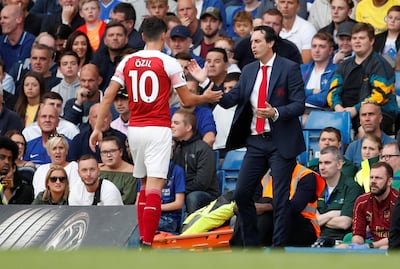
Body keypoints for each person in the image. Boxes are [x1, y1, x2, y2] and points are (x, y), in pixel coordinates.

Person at [88, 17, 221, 246]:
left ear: (141, 37)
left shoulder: (127, 61)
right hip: (158, 128)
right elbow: (187, 98)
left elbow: (108, 95)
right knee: (154, 188)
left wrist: (98, 128)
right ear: (163, 37)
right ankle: (147, 243)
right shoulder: (168, 62)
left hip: (135, 129)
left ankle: (142, 237)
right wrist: (205, 97)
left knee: (143, 184)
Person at [217, 25, 306, 247]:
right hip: (256, 141)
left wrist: (275, 112)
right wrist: (210, 85)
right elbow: (230, 99)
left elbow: (298, 105)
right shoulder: (248, 70)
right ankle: (252, 247)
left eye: (257, 41)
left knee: (280, 197)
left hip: (280, 141)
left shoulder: (289, 68)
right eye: (251, 42)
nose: (253, 46)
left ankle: (277, 249)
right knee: (242, 194)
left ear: (270, 43)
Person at [328, 22, 398, 137]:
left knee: (363, 131)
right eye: (354, 38)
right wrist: (337, 106)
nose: (357, 41)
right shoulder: (344, 65)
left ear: (371, 41)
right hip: (344, 112)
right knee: (328, 132)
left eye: (361, 38)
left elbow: (380, 95)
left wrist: (356, 109)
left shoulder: (381, 65)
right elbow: (333, 90)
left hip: (377, 113)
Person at [231, 163, 325, 247]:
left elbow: (295, 207)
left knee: (267, 208)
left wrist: (267, 207)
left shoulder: (306, 176)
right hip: (273, 225)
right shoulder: (265, 176)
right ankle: (238, 248)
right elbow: (253, 202)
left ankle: (252, 249)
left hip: (304, 227)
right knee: (247, 211)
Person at [339, 162, 399, 249]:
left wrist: (370, 246)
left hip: (393, 245)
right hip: (373, 243)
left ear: (389, 181)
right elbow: (358, 234)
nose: (373, 181)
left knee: (384, 248)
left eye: (378, 178)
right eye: (371, 177)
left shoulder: (397, 201)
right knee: (341, 248)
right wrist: (356, 245)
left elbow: (396, 237)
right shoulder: (362, 202)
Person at [171, 109, 219, 213]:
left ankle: (192, 227)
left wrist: (179, 191)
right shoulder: (173, 148)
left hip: (203, 194)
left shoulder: (203, 149)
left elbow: (202, 183)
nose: (171, 126)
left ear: (188, 127)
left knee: (193, 198)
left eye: (176, 123)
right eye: (171, 122)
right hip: (179, 191)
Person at [316, 146, 364, 242]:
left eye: (327, 163)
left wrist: (320, 218)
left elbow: (344, 223)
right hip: (317, 238)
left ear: (339, 165)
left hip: (341, 240)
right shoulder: (315, 186)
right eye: (320, 163)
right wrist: (332, 214)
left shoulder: (352, 188)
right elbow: (311, 221)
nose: (322, 167)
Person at [233, 8, 302, 70]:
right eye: (268, 23)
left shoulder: (290, 48)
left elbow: (298, 71)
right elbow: (232, 65)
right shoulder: (245, 44)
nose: (271, 27)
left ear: (282, 26)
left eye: (275, 24)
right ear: (261, 23)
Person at [170, 75, 217, 147]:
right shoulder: (169, 112)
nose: (186, 95)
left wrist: (196, 153)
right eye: (183, 91)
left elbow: (210, 138)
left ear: (198, 94)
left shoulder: (204, 113)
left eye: (191, 91)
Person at [345, 102, 396, 168]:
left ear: (380, 118)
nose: (367, 119)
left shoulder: (394, 145)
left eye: (371, 114)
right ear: (360, 120)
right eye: (363, 115)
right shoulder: (353, 147)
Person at [301, 32, 337, 123]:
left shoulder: (336, 70)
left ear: (330, 50)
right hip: (299, 110)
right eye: (314, 46)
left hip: (323, 112)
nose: (317, 50)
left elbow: (323, 99)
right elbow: (292, 93)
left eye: (322, 47)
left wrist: (301, 97)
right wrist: (311, 91)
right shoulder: (302, 69)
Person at [99, 135, 137, 205]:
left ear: (121, 152)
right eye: (104, 152)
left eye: (112, 151)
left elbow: (128, 199)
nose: (108, 155)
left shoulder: (132, 172)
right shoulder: (97, 170)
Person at [92, 21, 129, 92]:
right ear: (105, 40)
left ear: (126, 39)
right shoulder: (98, 58)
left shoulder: (132, 58)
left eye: (119, 35)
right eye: (111, 35)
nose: (115, 38)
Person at [0, 4, 35, 73]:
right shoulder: (0, 41)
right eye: (0, 18)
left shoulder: (31, 42)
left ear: (19, 19)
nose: (1, 21)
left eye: (5, 18)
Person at [212, 72, 240, 156]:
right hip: (219, 151)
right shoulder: (218, 108)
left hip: (241, 150)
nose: (227, 92)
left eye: (231, 88)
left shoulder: (248, 106)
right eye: (225, 88)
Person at [0, 136, 34, 204]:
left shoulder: (24, 187)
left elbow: (14, 211)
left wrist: (7, 188)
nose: (6, 162)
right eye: (2, 157)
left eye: (9, 158)